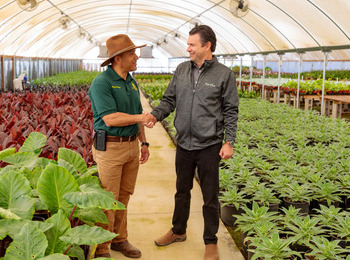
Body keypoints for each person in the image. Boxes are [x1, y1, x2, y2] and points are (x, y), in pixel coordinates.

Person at [144, 25, 239, 260]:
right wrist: (156, 115)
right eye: (187, 44)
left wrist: (229, 141)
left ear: (207, 46)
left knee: (210, 196)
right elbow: (169, 99)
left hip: (209, 146)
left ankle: (210, 241)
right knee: (181, 191)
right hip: (184, 143)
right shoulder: (181, 70)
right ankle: (178, 231)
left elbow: (231, 110)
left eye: (192, 45)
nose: (188, 49)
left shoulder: (223, 74)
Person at [89, 34, 151, 258]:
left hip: (131, 147)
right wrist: (141, 119)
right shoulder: (102, 83)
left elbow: (137, 114)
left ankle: (120, 240)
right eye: (132, 54)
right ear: (117, 58)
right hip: (111, 149)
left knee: (124, 196)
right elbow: (110, 119)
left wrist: (143, 142)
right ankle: (102, 247)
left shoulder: (130, 81)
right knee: (108, 198)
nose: (137, 57)